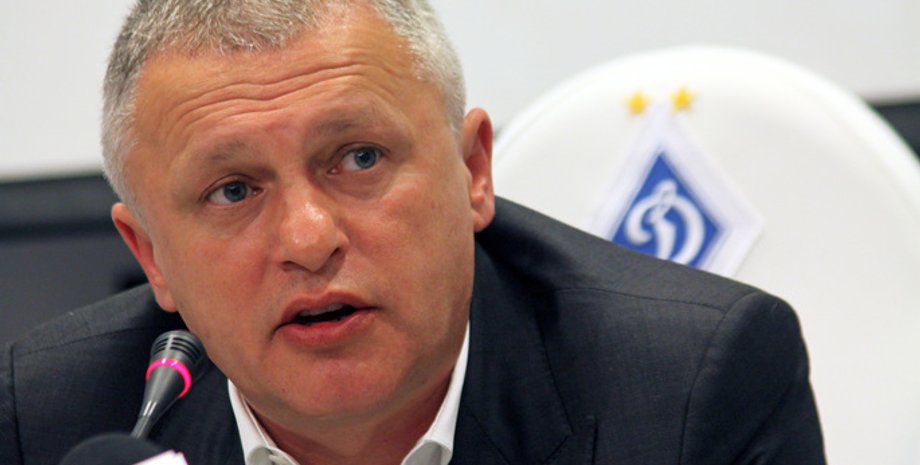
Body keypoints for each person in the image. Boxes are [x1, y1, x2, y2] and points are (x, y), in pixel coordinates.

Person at [0, 1, 825, 464]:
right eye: (233, 190)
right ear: (152, 256)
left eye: (359, 157)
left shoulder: (686, 391)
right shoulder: (53, 416)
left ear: (472, 171)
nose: (309, 238)